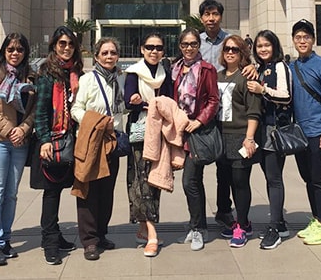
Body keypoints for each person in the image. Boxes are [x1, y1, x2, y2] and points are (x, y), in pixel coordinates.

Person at [0, 32, 37, 265]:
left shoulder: (30, 77)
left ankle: (5, 238)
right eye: (11, 49)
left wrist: (23, 130)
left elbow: (34, 109)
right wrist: (9, 130)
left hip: (19, 142)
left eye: (20, 49)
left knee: (11, 194)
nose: (15, 53)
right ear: (4, 51)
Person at [71, 37, 125, 262]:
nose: (109, 56)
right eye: (105, 53)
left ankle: (101, 233)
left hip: (111, 143)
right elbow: (76, 109)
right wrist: (98, 122)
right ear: (96, 57)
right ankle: (89, 240)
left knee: (106, 192)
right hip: (92, 142)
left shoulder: (119, 79)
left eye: (113, 52)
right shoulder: (88, 80)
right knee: (88, 191)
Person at [34, 26, 82, 265]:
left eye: (70, 44)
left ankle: (55, 234)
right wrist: (43, 140)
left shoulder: (75, 72)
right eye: (62, 43)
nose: (66, 48)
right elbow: (40, 110)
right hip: (53, 139)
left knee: (62, 187)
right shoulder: (47, 73)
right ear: (54, 45)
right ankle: (50, 241)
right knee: (51, 191)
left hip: (71, 139)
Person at [289, 19, 321, 246]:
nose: (302, 41)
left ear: (313, 40)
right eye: (298, 37)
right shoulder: (292, 67)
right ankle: (316, 220)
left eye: (306, 37)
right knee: (308, 178)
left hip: (318, 131)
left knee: (319, 178)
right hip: (300, 132)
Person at [124, 33, 173, 257]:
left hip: (160, 134)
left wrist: (145, 103)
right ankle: (152, 234)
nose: (154, 51)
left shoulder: (166, 73)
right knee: (142, 182)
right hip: (140, 134)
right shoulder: (134, 73)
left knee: (155, 181)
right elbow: (127, 101)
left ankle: (143, 228)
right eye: (150, 47)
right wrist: (147, 104)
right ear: (142, 49)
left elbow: (171, 103)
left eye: (159, 47)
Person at [246, 30, 293, 250]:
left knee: (274, 178)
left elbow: (286, 95)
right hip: (262, 130)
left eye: (267, 45)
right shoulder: (261, 68)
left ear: (274, 46)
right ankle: (280, 223)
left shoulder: (281, 66)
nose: (263, 49)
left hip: (275, 131)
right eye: (259, 46)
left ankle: (275, 227)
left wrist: (262, 88)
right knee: (269, 175)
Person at [173, 28, 219, 251]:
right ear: (180, 46)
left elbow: (213, 100)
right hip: (179, 130)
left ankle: (198, 228)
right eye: (185, 44)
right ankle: (199, 225)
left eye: (193, 44)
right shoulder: (175, 69)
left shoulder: (207, 70)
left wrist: (198, 121)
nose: (189, 48)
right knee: (194, 181)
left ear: (198, 46)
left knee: (189, 181)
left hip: (196, 131)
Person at [215, 35, 262, 248]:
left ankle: (242, 225)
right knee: (225, 180)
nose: (230, 52)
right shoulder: (218, 76)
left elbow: (254, 112)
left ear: (242, 52)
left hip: (241, 137)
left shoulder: (247, 78)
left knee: (240, 182)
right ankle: (239, 221)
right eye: (227, 49)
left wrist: (249, 138)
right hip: (220, 137)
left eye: (235, 49)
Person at [197, 0, 234, 236]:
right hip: (200, 111)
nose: (211, 18)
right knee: (196, 165)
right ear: (201, 18)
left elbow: (244, 63)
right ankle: (198, 217)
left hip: (226, 109)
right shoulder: (195, 41)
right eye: (207, 15)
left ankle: (224, 210)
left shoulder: (230, 41)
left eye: (215, 14)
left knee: (225, 166)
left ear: (221, 16)